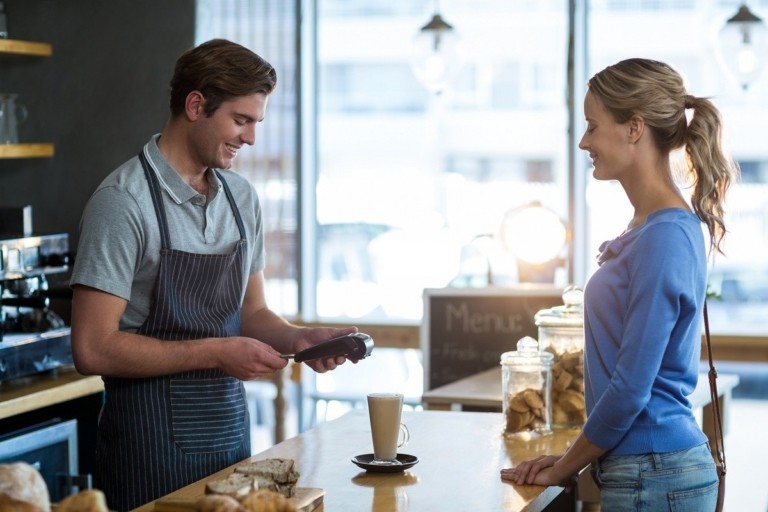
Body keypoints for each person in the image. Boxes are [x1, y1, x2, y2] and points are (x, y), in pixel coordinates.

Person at [69, 39, 357, 511]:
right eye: (241, 121)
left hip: (229, 448)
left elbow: (252, 313)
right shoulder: (122, 203)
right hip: (147, 455)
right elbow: (92, 347)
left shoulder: (241, 200)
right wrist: (217, 352)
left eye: (255, 123)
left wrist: (297, 338)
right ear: (196, 104)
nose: (250, 139)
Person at [500, 58, 737, 511]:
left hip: (655, 473)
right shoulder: (650, 229)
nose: (584, 141)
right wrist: (572, 458)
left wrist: (564, 466)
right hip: (648, 470)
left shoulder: (665, 236)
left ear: (634, 128)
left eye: (592, 126)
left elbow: (630, 388)